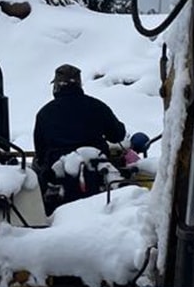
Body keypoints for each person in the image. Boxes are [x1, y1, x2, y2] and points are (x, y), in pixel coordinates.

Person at [32, 64, 126, 209]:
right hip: (97, 176)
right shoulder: (97, 107)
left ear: (57, 86)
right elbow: (117, 135)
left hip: (59, 180)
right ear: (79, 84)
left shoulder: (45, 113)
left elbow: (40, 151)